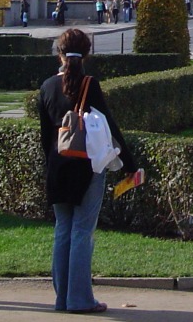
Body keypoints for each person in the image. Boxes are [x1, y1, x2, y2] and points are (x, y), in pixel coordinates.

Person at [37, 28, 136, 314]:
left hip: (57, 165)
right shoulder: (89, 85)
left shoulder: (46, 87)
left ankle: (62, 298)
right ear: (87, 54)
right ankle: (79, 299)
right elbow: (110, 127)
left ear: (58, 53)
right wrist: (129, 165)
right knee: (82, 230)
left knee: (62, 229)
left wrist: (50, 167)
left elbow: (45, 138)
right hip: (87, 163)